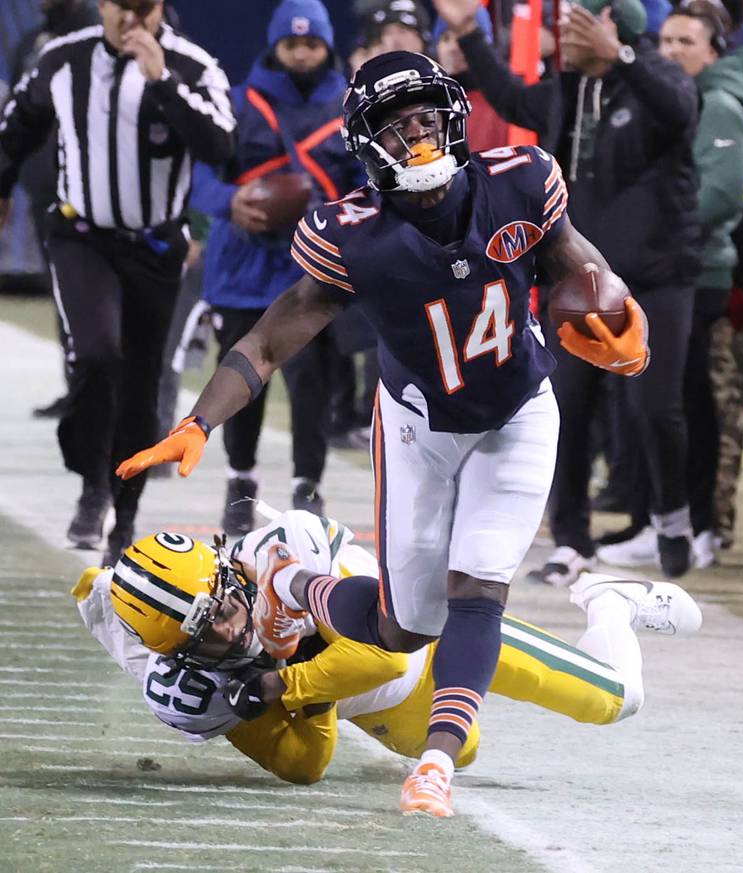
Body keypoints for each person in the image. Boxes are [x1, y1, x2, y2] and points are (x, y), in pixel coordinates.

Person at [116, 50, 652, 817]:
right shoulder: (350, 234)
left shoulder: (522, 178)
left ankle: (435, 764)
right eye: (397, 130)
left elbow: (579, 264)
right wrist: (201, 420)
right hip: (418, 426)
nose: (420, 138)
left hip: (517, 411)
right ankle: (291, 582)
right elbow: (270, 340)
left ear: (453, 116)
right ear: (367, 146)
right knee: (405, 627)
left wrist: (625, 319)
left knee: (478, 589)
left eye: (427, 119)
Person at [73, 507, 702, 785]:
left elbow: (388, 651)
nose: (228, 633)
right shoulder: (187, 675)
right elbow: (302, 766)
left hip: (433, 635)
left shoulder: (279, 560)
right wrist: (309, 700)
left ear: (228, 574)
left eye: (223, 609)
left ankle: (608, 600)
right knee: (469, 750)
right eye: (202, 636)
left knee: (617, 699)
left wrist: (284, 685)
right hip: (375, 705)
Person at [433, 0, 701, 583]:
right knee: (567, 412)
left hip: (655, 278)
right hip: (575, 286)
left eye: (581, 22)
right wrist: (469, 33)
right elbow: (508, 96)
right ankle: (571, 541)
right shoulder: (565, 90)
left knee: (655, 410)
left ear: (616, 28)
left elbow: (680, 112)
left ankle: (673, 518)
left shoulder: (654, 79)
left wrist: (623, 57)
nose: (564, 32)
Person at [0, 0, 236, 565]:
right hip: (82, 236)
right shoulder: (62, 59)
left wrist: (162, 81)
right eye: (120, 7)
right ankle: (91, 485)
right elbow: (17, 127)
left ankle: (122, 519)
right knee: (98, 354)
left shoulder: (194, 66)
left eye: (143, 8)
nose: (131, 21)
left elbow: (222, 150)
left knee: (141, 384)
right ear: (100, 5)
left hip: (155, 247)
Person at [190, 0, 364, 534]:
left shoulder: (348, 106)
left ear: (327, 45)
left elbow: (366, 180)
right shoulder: (237, 102)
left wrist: (333, 217)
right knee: (239, 378)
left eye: (312, 43)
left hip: (309, 263)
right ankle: (241, 481)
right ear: (275, 45)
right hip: (242, 264)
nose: (303, 53)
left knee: (311, 384)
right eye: (293, 43)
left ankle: (306, 487)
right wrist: (230, 202)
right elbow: (199, 174)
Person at [598, 1, 743, 570]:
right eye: (665, 41)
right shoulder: (666, 102)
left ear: (713, 52)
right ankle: (659, 520)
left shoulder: (719, 102)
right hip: (666, 268)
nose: (672, 52)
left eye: (686, 42)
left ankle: (702, 525)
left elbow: (724, 191)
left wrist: (664, 236)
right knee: (658, 402)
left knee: (692, 404)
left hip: (700, 273)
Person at [8, 0, 101, 419]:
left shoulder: (101, 34)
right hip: (45, 189)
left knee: (99, 300)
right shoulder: (31, 42)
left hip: (95, 192)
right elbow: (17, 118)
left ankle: (113, 397)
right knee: (64, 296)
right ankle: (79, 391)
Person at [432, 5, 510, 152]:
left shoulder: (500, 104)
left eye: (459, 38)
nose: (453, 48)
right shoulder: (427, 104)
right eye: (446, 38)